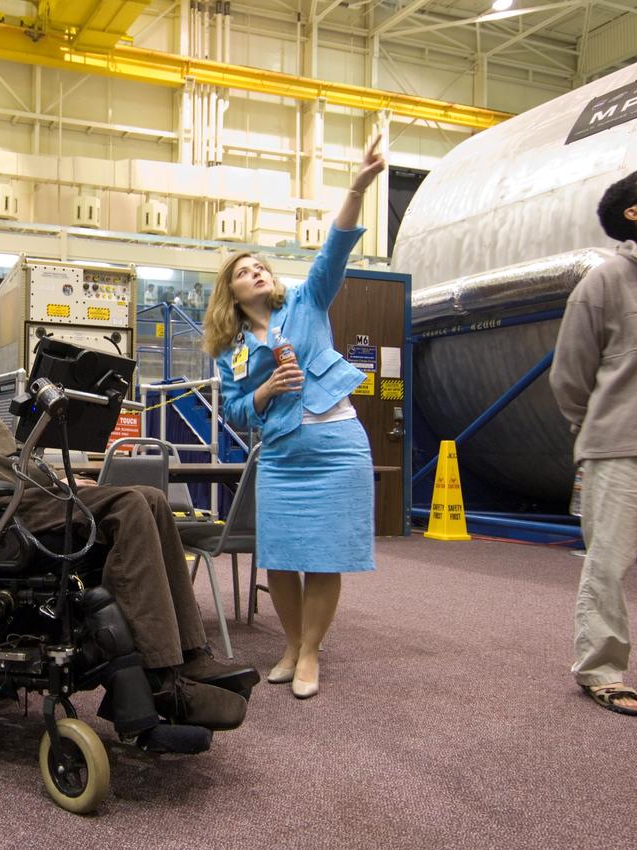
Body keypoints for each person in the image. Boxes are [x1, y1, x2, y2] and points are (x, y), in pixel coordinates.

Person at [0, 315, 260, 730]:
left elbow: (17, 460)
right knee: (129, 507)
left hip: (11, 504)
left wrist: (57, 478)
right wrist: (41, 481)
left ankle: (190, 655)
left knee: (151, 500)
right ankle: (161, 678)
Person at [202, 134, 385, 700]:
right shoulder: (231, 349)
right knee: (280, 558)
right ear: (230, 292)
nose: (256, 272)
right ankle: (290, 644)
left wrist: (356, 187)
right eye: (244, 270)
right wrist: (263, 393)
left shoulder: (306, 301)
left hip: (336, 444)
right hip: (281, 454)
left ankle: (309, 653)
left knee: (323, 556)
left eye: (260, 266)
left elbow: (335, 246)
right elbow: (233, 410)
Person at [550, 169, 637, 717]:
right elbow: (570, 375)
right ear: (634, 213)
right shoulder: (606, 281)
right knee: (609, 563)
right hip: (620, 447)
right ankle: (602, 670)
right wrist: (599, 428)